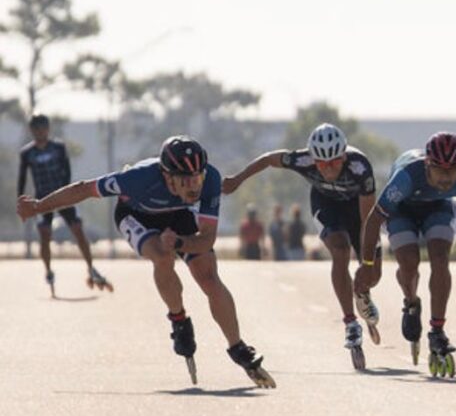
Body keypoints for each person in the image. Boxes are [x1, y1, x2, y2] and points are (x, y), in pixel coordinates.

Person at [16, 136, 275, 388]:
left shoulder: (210, 180)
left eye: (197, 178)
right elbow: (84, 189)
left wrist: (180, 243)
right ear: (167, 176)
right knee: (162, 258)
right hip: (136, 215)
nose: (194, 187)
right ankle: (179, 319)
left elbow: (206, 239)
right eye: (186, 180)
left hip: (178, 216)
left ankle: (237, 347)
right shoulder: (135, 180)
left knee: (207, 275)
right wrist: (39, 206)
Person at [353, 132, 456, 377]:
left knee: (440, 259)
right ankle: (411, 302)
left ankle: (437, 331)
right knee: (409, 263)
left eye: (454, 171)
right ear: (428, 164)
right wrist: (366, 263)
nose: (448, 178)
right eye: (441, 171)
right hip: (402, 210)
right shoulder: (406, 177)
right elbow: (374, 219)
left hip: (437, 208)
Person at [222, 124, 383, 369]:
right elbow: (268, 160)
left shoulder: (360, 168)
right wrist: (237, 179)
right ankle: (351, 323)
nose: (328, 169)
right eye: (322, 164)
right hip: (326, 204)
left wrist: (366, 264)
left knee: (372, 274)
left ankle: (362, 291)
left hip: (357, 211)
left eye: (334, 163)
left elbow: (367, 221)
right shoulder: (302, 159)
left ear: (343, 157)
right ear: (313, 159)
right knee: (340, 251)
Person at [17, 114, 112, 296]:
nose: (40, 132)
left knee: (77, 228)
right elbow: (22, 179)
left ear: (48, 128)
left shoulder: (58, 147)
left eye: (43, 128)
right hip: (42, 200)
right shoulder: (27, 153)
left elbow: (67, 172)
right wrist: (21, 202)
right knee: (45, 234)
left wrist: (68, 196)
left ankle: (90, 267)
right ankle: (48, 270)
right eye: (36, 129)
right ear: (32, 131)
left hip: (62, 197)